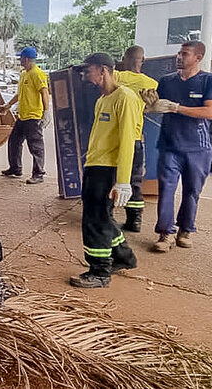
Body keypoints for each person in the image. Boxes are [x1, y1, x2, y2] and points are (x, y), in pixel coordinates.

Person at [70, 53, 142, 289]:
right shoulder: (102, 99)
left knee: (95, 220)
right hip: (95, 166)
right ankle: (123, 257)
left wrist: (123, 181)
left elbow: (127, 140)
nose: (84, 74)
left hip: (108, 169)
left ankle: (100, 271)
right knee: (101, 215)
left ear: (103, 70)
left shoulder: (125, 97)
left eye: (87, 70)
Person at [147, 41, 212, 252]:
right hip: (169, 145)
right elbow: (156, 108)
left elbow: (210, 113)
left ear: (198, 57)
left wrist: (177, 108)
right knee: (166, 190)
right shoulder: (166, 81)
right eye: (179, 53)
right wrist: (150, 104)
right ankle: (165, 233)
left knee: (192, 191)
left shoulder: (210, 80)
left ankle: (186, 230)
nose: (179, 57)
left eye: (185, 53)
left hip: (198, 148)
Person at [113, 45, 159, 232]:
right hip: (135, 137)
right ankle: (135, 221)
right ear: (144, 60)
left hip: (112, 138)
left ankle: (106, 217)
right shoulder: (151, 83)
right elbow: (151, 108)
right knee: (135, 181)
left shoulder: (116, 77)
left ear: (124, 59)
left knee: (108, 176)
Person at [0, 46, 51, 184]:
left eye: (20, 58)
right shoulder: (24, 74)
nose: (19, 60)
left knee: (36, 146)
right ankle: (15, 168)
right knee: (14, 141)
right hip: (22, 116)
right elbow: (19, 94)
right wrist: (7, 105)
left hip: (33, 117)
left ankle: (38, 174)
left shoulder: (37, 73)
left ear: (26, 59)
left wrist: (46, 111)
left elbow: (44, 92)